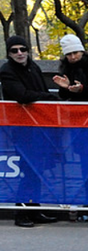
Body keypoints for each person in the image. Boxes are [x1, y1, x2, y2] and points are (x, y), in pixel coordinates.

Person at [0, 35, 59, 227]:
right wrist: (47, 98)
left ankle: (34, 209)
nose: (19, 53)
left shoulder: (34, 67)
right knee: (29, 170)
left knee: (38, 170)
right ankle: (22, 212)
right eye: (14, 50)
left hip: (40, 128)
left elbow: (39, 89)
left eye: (23, 49)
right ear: (9, 53)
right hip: (22, 129)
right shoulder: (7, 71)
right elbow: (21, 95)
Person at [52, 34, 88, 101]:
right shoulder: (65, 66)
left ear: (81, 51)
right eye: (69, 54)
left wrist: (82, 89)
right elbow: (63, 96)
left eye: (75, 53)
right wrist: (66, 87)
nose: (73, 57)